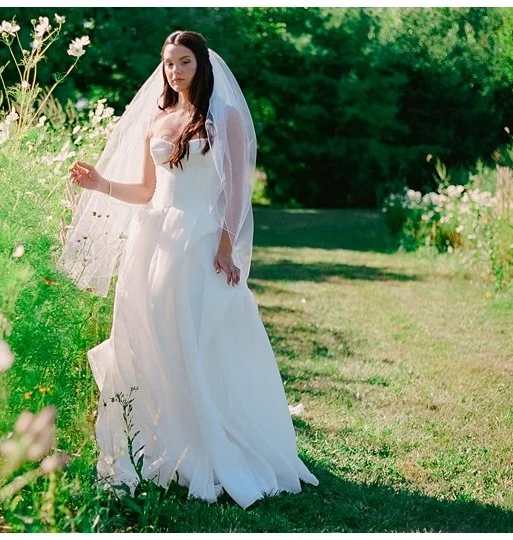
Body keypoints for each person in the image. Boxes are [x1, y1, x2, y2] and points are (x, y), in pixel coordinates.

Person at [59, 30, 319, 510]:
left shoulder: (228, 118)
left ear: (201, 66)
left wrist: (226, 244)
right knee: (151, 339)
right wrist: (99, 184)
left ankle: (215, 447)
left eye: (184, 62)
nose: (174, 71)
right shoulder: (157, 120)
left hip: (200, 241)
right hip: (153, 241)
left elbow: (239, 191)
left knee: (200, 340)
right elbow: (144, 190)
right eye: (168, 62)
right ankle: (161, 447)